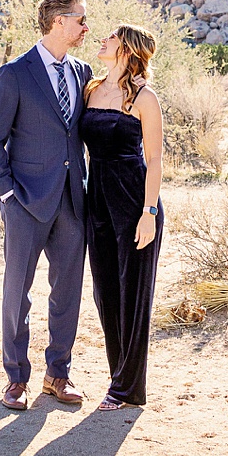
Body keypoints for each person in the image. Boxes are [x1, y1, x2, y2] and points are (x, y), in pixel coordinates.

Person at [0, 0, 92, 411]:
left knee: (67, 291)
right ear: (59, 21)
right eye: (81, 20)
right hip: (25, 200)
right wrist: (7, 194)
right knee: (18, 291)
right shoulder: (15, 73)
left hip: (71, 201)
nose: (85, 28)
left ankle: (57, 373)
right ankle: (16, 378)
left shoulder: (82, 73)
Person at [80, 24, 164, 410]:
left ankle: (126, 390)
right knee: (105, 294)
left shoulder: (146, 98)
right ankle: (119, 377)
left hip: (134, 201)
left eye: (111, 38)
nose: (102, 40)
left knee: (133, 296)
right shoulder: (92, 90)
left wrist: (149, 213)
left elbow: (155, 160)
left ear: (127, 49)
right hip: (96, 199)